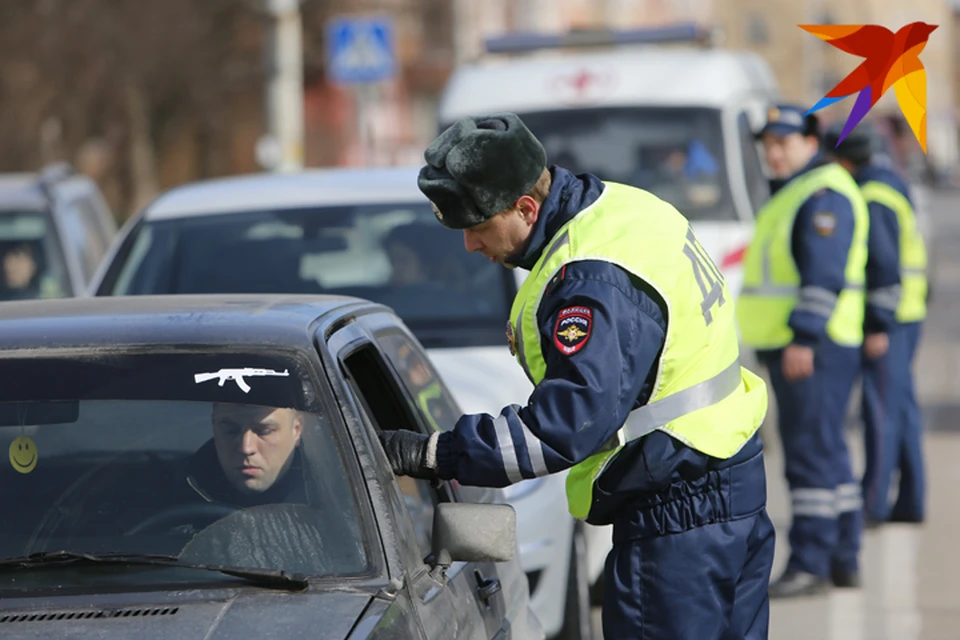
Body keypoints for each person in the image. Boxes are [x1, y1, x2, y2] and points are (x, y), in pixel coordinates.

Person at [380, 113, 774, 638]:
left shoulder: (591, 278)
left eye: (477, 228)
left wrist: (435, 454)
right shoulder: (623, 208)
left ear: (525, 206)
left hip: (677, 514)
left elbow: (562, 428)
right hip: (726, 479)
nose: (472, 247)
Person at [737, 105, 870, 597]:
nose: (773, 152)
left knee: (810, 454)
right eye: (768, 143)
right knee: (827, 451)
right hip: (810, 343)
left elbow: (824, 274)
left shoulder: (820, 193)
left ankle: (812, 561)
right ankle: (841, 556)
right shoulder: (798, 191)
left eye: (784, 142)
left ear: (810, 143)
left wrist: (803, 337)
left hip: (814, 346)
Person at [825, 123, 928, 526]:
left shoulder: (872, 194)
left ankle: (874, 503)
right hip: (907, 313)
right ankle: (910, 501)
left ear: (844, 160)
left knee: (881, 411)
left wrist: (878, 326)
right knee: (900, 408)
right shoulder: (887, 181)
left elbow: (884, 267)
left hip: (893, 318)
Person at [185, 403, 306, 507]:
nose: (246, 448)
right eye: (231, 431)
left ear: (297, 430)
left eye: (264, 431)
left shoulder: (322, 497)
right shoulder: (175, 493)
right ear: (214, 428)